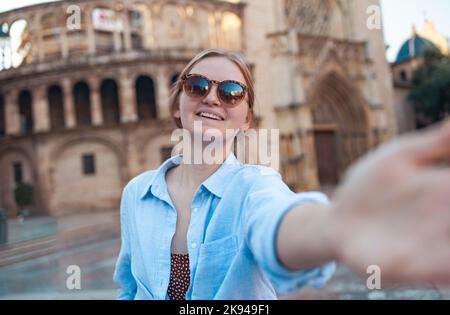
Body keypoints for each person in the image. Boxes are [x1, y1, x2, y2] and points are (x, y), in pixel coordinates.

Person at [113, 48, 450, 300]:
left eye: (232, 92)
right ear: (177, 104)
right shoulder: (136, 193)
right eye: (197, 86)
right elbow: (129, 287)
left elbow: (277, 220)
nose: (212, 98)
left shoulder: (255, 185)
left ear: (247, 119)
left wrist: (336, 226)